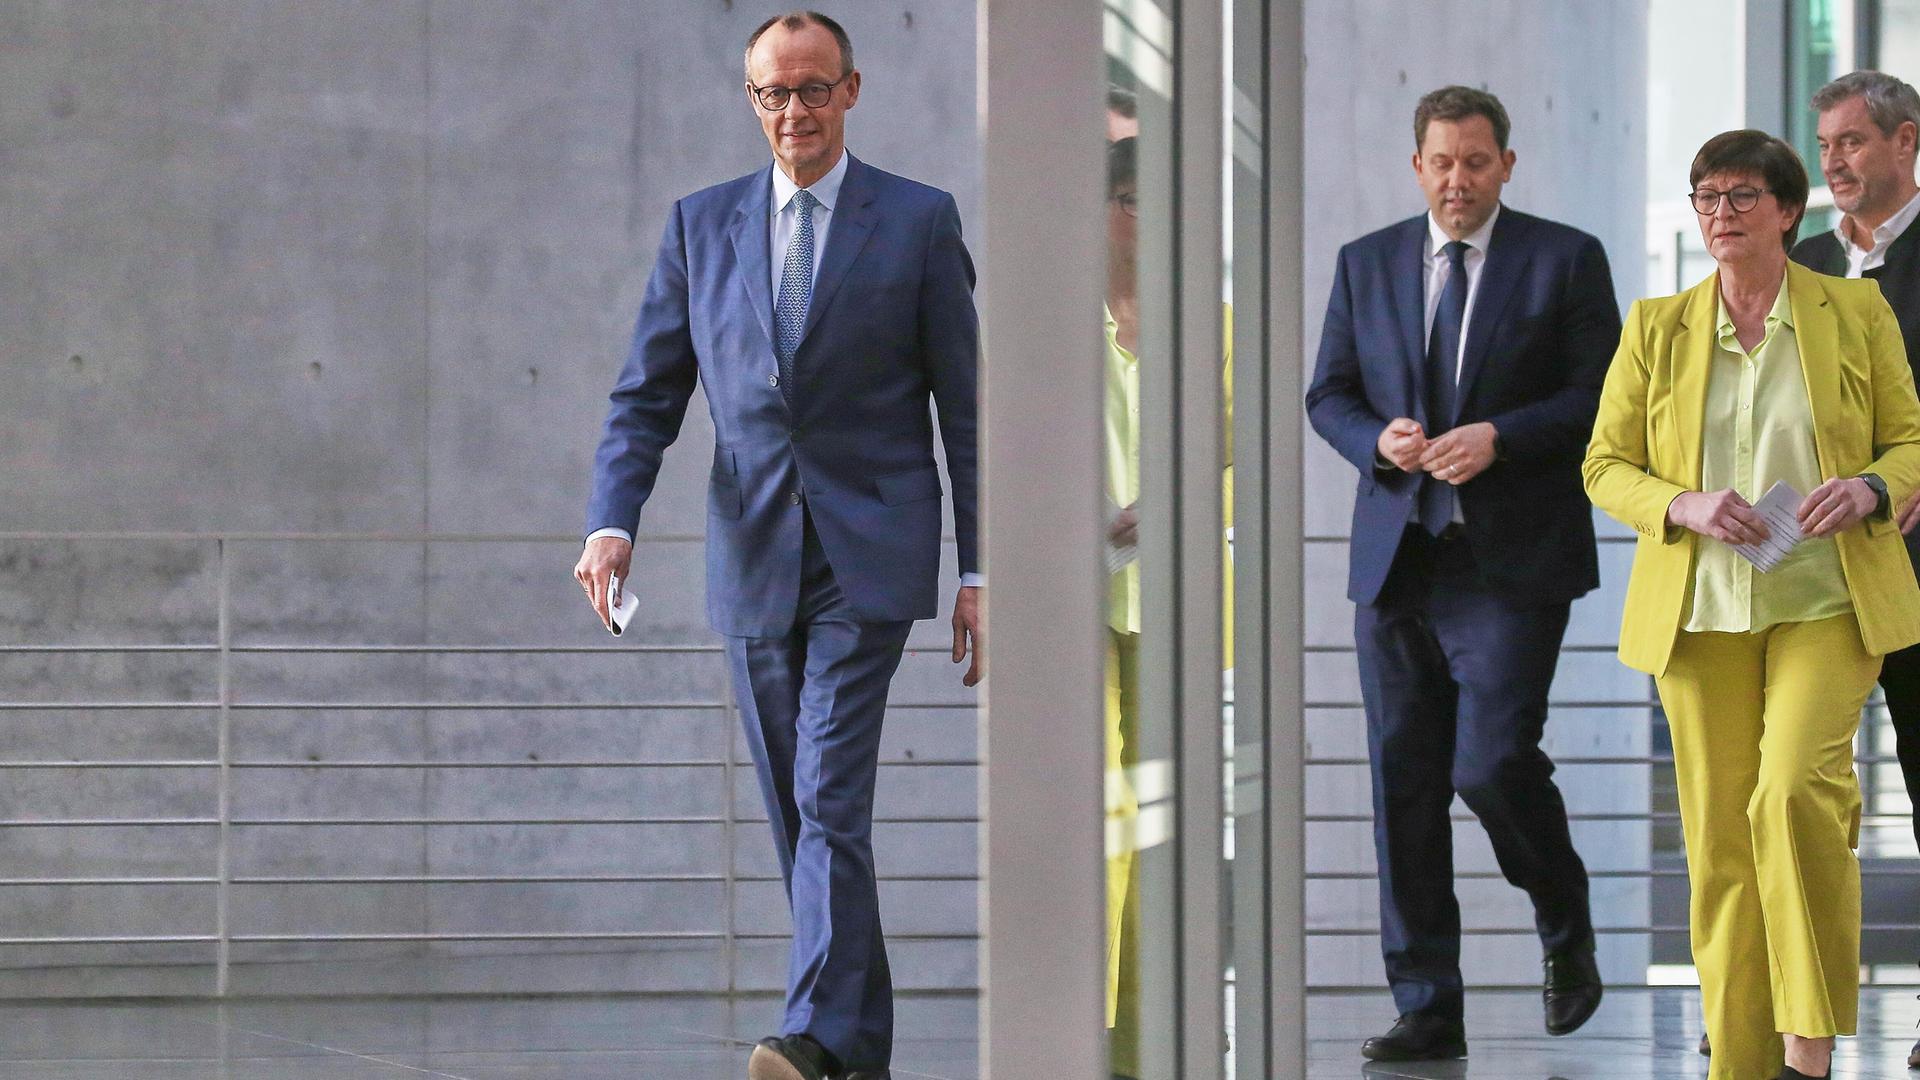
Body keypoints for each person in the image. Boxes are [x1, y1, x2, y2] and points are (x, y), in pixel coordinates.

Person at [573, 11, 982, 1080]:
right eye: (771, 94)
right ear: (750, 100)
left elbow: (968, 413)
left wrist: (980, 569)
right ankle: (856, 1047)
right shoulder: (699, 226)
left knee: (830, 793)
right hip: (750, 552)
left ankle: (806, 1033)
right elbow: (643, 397)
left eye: (811, 90)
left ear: (851, 90)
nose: (792, 113)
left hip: (872, 553)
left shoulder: (919, 221)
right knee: (803, 816)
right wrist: (612, 521)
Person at [1585, 128, 1920, 1080]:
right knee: (1722, 843)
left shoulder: (1855, 311)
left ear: (1788, 210)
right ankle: (1739, 1061)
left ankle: (1807, 1042)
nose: (1720, 215)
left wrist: (1870, 488)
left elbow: (1910, 442)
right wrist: (1681, 503)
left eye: (1740, 197)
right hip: (1699, 615)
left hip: (1829, 599)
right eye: (1706, 198)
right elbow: (1604, 465)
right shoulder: (1657, 325)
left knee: (1792, 795)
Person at [1304, 84, 1615, 1061]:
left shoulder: (1564, 258)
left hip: (1509, 564)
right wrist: (1378, 441)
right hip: (1397, 563)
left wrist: (1499, 439)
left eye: (1475, 162)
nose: (1456, 179)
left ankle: (1562, 913)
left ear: (1506, 166)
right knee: (1403, 786)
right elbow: (1330, 394)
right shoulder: (1368, 263)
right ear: (1417, 165)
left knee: (1489, 764)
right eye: (1440, 162)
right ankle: (1428, 1000)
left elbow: (1600, 397)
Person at [1788, 73, 1920, 1072]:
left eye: (1852, 143)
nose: (1834, 162)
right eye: (1825, 145)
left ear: (1905, 142)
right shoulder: (1799, 265)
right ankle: (1792, 1021)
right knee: (1798, 794)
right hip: (1818, 588)